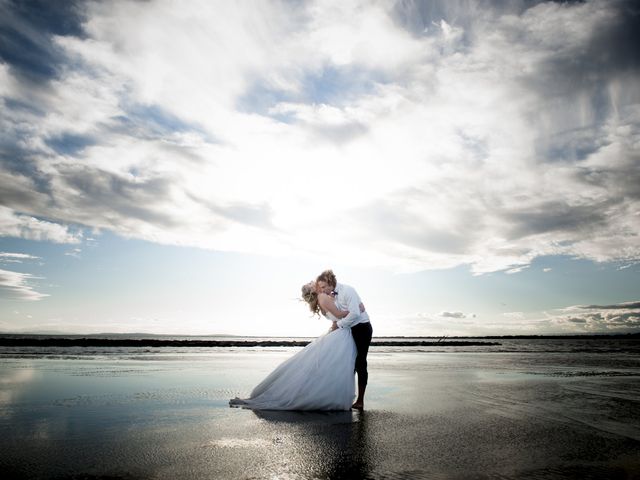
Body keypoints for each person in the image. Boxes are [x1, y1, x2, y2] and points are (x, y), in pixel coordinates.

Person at [228, 282, 358, 411]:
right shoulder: (323, 298)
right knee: (337, 367)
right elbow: (340, 314)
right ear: (314, 290)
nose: (315, 282)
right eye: (312, 283)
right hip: (341, 334)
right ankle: (330, 396)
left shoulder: (320, 301)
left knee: (331, 367)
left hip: (339, 332)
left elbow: (334, 317)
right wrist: (355, 308)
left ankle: (327, 394)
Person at [315, 269, 372, 410]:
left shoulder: (348, 290)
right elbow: (340, 314)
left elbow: (355, 314)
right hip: (348, 329)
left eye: (323, 287)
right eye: (320, 288)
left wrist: (338, 325)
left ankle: (360, 401)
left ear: (330, 283)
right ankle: (345, 397)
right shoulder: (332, 295)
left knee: (360, 362)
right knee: (348, 363)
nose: (322, 291)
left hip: (362, 328)